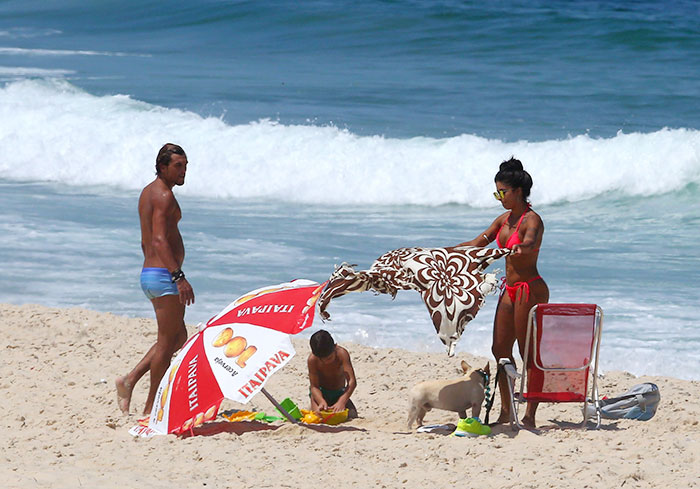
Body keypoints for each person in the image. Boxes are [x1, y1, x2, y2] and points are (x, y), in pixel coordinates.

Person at [458, 157, 548, 428]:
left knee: (527, 352)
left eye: (502, 192)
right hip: (509, 290)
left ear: (517, 191)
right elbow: (477, 243)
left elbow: (530, 241)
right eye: (496, 192)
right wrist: (446, 252)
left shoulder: (532, 220)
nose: (499, 198)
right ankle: (506, 411)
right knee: (500, 349)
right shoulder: (504, 220)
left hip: (530, 289)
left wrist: (521, 248)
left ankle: (530, 415)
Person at [116, 143, 195, 415]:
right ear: (162, 167)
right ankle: (151, 408)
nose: (183, 171)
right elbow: (160, 239)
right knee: (167, 342)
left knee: (178, 336)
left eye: (185, 165)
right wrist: (178, 276)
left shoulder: (148, 193)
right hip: (164, 276)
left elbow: (145, 241)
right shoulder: (164, 196)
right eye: (178, 166)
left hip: (151, 273)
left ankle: (130, 380)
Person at [307, 330, 358, 418]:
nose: (325, 362)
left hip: (339, 393)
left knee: (352, 415)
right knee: (319, 417)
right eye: (322, 359)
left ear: (335, 346)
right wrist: (321, 401)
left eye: (329, 358)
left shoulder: (342, 354)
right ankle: (315, 406)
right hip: (321, 393)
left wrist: (342, 401)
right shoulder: (312, 360)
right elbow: (314, 387)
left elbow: (352, 381)